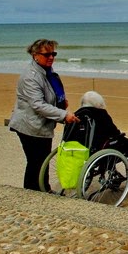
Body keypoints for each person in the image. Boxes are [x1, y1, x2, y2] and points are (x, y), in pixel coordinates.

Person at [9, 39, 80, 191]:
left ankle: (43, 189)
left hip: (41, 125)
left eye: (53, 53)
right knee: (36, 162)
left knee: (42, 161)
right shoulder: (31, 76)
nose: (51, 57)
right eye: (47, 54)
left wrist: (60, 102)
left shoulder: (47, 72)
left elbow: (50, 93)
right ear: (35, 55)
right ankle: (34, 192)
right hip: (30, 126)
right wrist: (63, 114)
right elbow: (38, 105)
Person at [69, 91, 128, 182]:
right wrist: (120, 135)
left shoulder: (75, 115)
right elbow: (113, 132)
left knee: (113, 143)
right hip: (100, 150)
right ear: (98, 103)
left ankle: (118, 170)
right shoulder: (100, 113)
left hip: (79, 150)